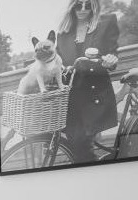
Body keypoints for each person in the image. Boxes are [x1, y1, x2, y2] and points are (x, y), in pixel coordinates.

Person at [55, 0, 121, 161]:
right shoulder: (63, 32)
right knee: (76, 146)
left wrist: (111, 60)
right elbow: (57, 61)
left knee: (81, 145)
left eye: (88, 5)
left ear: (94, 6)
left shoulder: (106, 23)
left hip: (95, 93)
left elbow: (112, 53)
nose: (83, 9)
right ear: (72, 7)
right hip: (72, 96)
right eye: (79, 5)